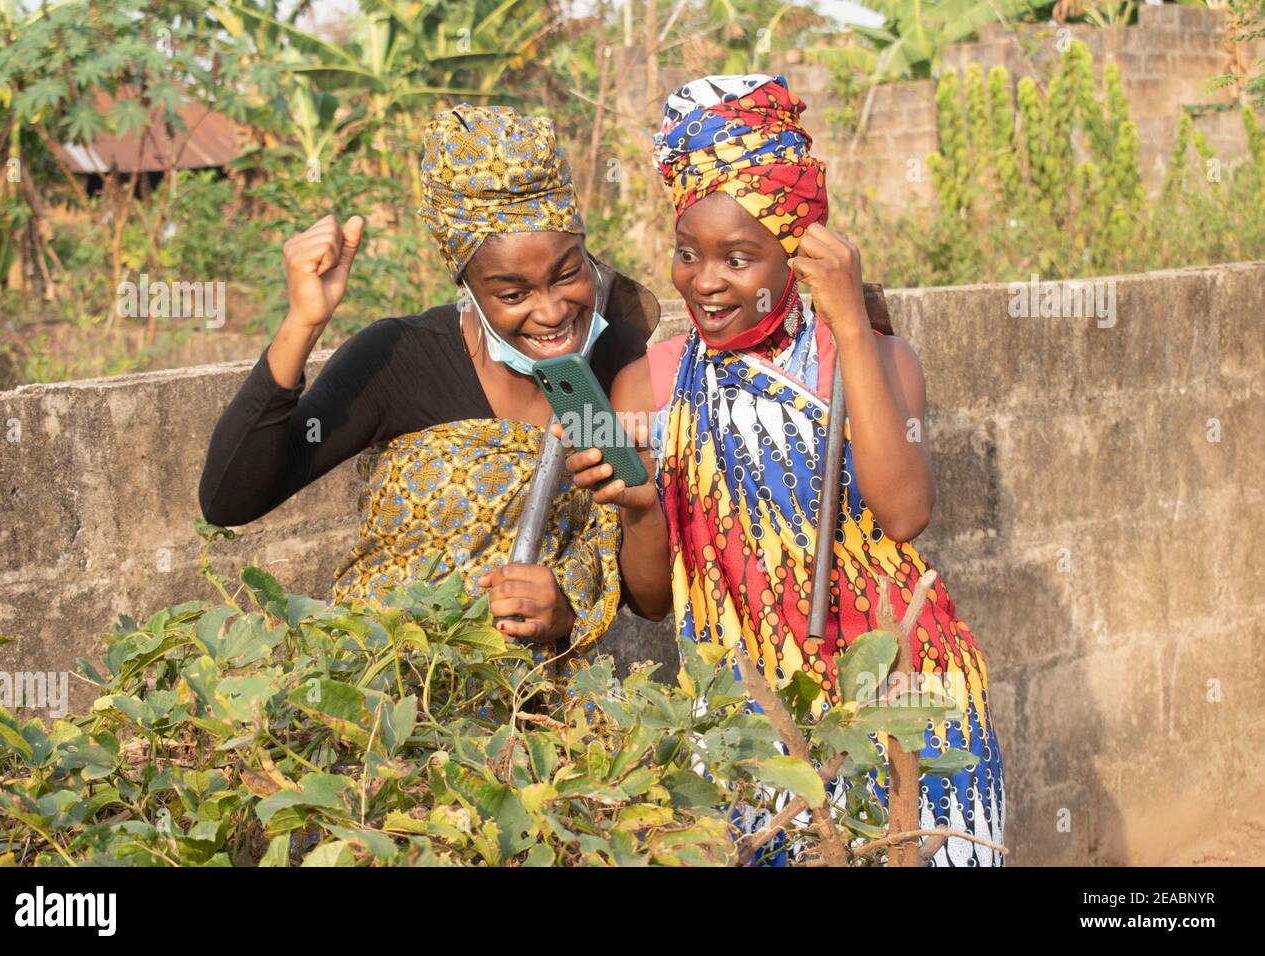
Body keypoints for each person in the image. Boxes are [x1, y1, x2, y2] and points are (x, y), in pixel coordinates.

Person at [562, 74, 1006, 865]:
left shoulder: (872, 361)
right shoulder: (650, 383)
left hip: (900, 702)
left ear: (797, 253)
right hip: (748, 728)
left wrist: (848, 328)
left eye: (740, 257)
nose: (705, 281)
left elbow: (902, 515)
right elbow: (654, 602)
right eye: (688, 253)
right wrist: (639, 508)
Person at [198, 104, 658, 655]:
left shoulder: (613, 362)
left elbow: (649, 598)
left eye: (567, 274)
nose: (553, 312)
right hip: (384, 688)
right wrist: (304, 323)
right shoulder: (400, 359)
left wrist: (567, 607)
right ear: (469, 287)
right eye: (513, 294)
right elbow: (229, 499)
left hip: (532, 707)